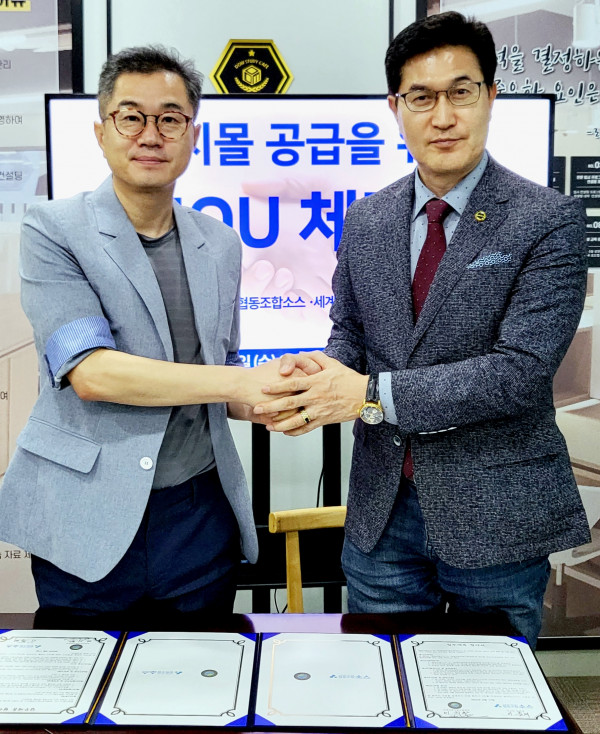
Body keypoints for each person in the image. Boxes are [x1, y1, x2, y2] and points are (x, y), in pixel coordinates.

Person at [256, 11, 591, 645]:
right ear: (396, 107)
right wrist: (315, 384)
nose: (443, 116)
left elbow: (519, 371)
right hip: (383, 512)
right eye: (421, 97)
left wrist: (367, 395)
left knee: (488, 685)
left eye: (461, 92)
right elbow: (349, 333)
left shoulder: (547, 219)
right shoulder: (367, 218)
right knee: (378, 675)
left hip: (496, 511)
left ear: (490, 97)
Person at [0, 45, 293, 617]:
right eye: (131, 117)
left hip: (198, 517)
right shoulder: (53, 229)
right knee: (88, 674)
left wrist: (275, 398)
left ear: (193, 135)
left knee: (204, 670)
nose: (151, 135)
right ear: (101, 132)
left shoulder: (220, 243)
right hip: (85, 513)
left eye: (170, 119)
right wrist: (240, 383)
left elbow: (224, 372)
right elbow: (92, 373)